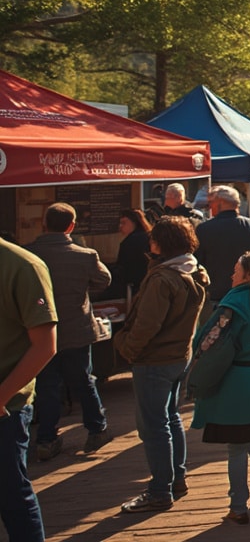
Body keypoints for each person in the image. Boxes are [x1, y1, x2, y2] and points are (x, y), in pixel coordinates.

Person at [114, 217, 207, 514]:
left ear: (161, 243)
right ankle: (176, 479)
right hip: (179, 356)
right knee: (170, 419)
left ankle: (159, 491)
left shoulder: (163, 278)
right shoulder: (193, 271)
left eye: (153, 239)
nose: (149, 242)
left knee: (154, 427)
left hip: (155, 359)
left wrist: (127, 348)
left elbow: (147, 325)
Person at [192, 252, 250, 524]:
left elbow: (207, 340)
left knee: (236, 448)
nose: (232, 275)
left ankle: (238, 506)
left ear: (249, 275)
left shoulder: (234, 305)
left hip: (237, 381)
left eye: (236, 270)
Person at [25, 203, 112, 461]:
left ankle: (46, 439)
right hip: (77, 330)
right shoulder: (85, 255)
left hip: (40, 331)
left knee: (47, 386)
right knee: (84, 381)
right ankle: (96, 429)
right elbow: (104, 280)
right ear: (72, 226)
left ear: (44, 222)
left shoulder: (29, 254)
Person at [0, 237, 58, 540]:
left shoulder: (23, 266)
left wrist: (1, 395)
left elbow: (45, 346)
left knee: (12, 497)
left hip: (4, 411)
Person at [195, 186, 250, 308]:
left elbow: (198, 264)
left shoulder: (204, 229)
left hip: (217, 297)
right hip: (249, 296)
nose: (209, 207)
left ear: (221, 202)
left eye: (211, 203)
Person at [100, 208, 151, 302]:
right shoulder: (148, 237)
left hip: (133, 287)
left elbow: (123, 268)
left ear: (134, 223)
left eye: (124, 223)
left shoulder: (129, 242)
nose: (120, 226)